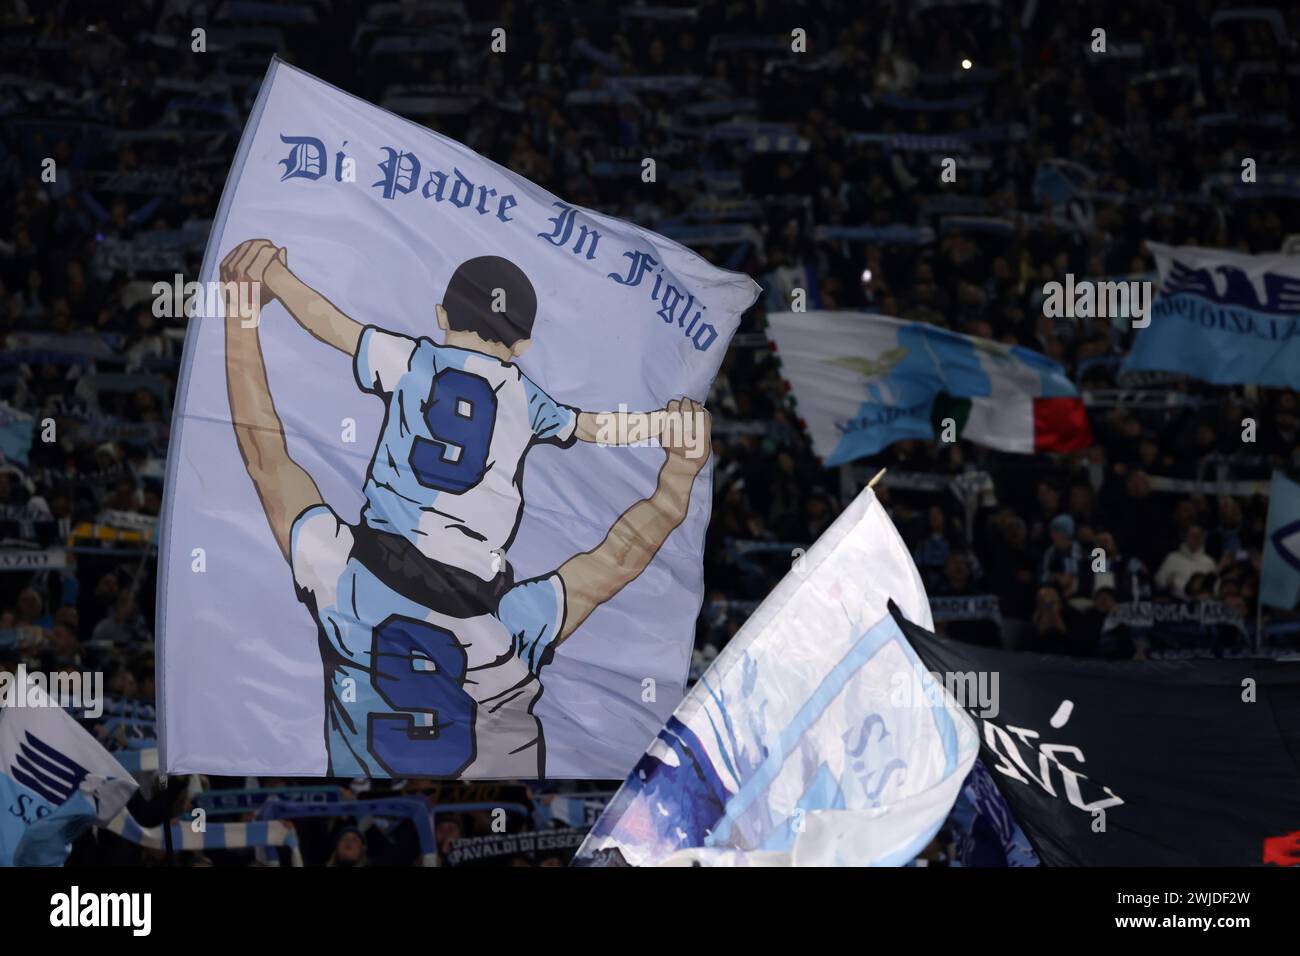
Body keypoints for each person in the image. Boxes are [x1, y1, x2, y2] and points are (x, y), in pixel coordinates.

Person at [221, 250, 712, 777]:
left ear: (441, 315)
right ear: (521, 346)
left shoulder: (338, 574)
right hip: (493, 778)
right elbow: (618, 551)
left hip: (365, 805)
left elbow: (265, 455)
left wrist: (249, 305)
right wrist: (674, 456)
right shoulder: (509, 628)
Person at [227, 238, 678, 603]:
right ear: (522, 345)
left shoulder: (411, 359)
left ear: (441, 315)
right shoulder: (524, 395)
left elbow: (329, 323)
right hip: (472, 579)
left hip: (384, 552)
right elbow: (595, 427)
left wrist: (276, 277)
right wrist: (660, 423)